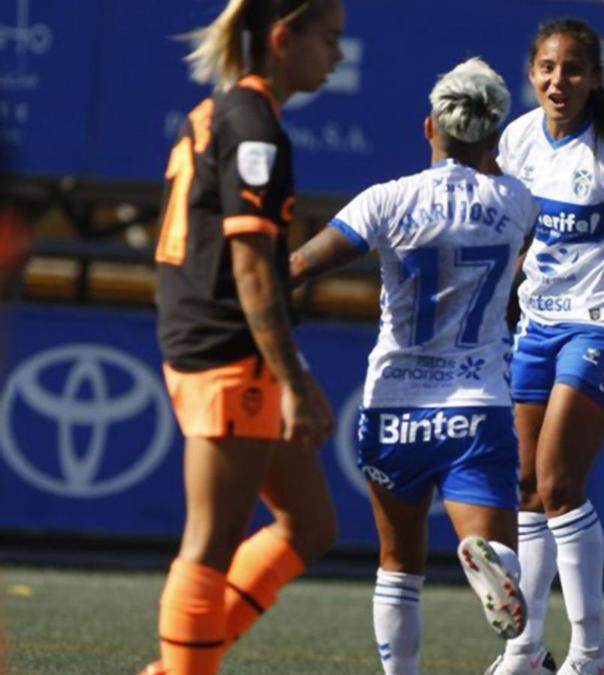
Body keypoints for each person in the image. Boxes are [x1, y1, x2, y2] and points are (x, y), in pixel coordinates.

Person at [288, 57, 536, 675]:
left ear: (429, 127)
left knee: (397, 563)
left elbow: (299, 267)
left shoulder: (387, 199)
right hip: (476, 403)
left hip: (392, 402)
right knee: (503, 550)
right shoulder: (516, 201)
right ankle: (493, 562)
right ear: (493, 135)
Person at [143, 1, 344, 673]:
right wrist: (291, 379)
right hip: (225, 352)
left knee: (310, 524)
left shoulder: (226, 112)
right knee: (212, 541)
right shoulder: (252, 123)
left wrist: (289, 371)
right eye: (330, 39)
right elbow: (252, 269)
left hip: (229, 346)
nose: (337, 56)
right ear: (285, 38)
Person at [486, 17, 604, 675]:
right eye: (549, 68)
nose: (560, 81)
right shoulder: (517, 139)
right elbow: (511, 235)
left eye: (574, 69)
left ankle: (591, 652)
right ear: (532, 72)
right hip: (535, 324)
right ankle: (525, 649)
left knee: (559, 480)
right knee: (527, 486)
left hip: (596, 327)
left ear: (594, 78)